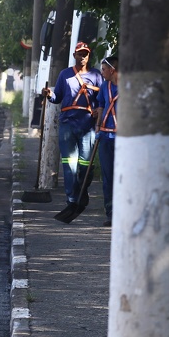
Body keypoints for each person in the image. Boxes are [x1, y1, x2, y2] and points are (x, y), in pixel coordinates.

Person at [42, 41, 104, 217]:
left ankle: (81, 192)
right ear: (74, 55)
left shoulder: (96, 75)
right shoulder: (65, 75)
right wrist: (49, 95)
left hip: (87, 126)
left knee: (86, 166)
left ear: (88, 56)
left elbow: (102, 100)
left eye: (85, 54)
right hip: (67, 125)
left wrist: (99, 111)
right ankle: (72, 199)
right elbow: (57, 98)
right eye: (79, 54)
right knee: (69, 165)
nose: (82, 56)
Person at [93, 55, 119, 227]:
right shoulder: (104, 86)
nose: (101, 73)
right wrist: (97, 126)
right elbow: (101, 106)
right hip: (105, 137)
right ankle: (110, 214)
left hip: (122, 139)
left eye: (103, 69)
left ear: (112, 70)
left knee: (122, 177)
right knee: (108, 177)